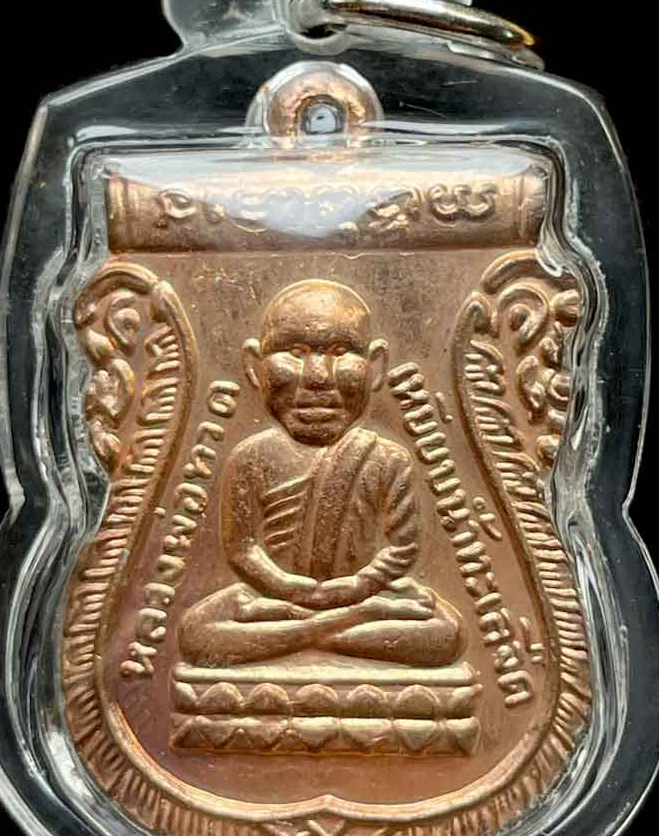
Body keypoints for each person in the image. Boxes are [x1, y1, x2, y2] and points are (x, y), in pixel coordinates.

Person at [178, 279, 463, 668]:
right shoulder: (249, 457)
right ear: (254, 368)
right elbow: (241, 548)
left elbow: (403, 547)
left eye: (340, 352)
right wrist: (284, 587)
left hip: (364, 595)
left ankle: (310, 632)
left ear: (376, 367)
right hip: (274, 598)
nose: (317, 376)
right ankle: (338, 629)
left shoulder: (387, 458)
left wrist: (357, 587)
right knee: (195, 633)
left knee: (445, 634)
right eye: (295, 353)